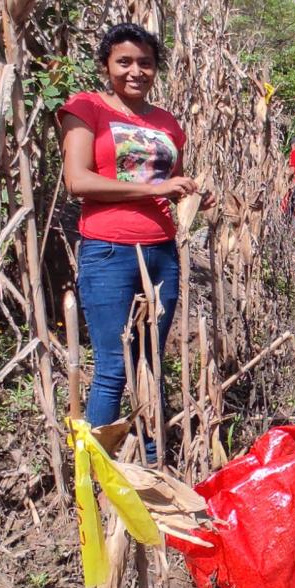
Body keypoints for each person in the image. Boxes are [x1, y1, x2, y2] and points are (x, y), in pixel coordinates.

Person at [59, 22, 212, 456]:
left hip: (161, 252)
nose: (135, 71)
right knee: (113, 366)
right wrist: (155, 191)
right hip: (109, 251)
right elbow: (78, 180)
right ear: (107, 65)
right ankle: (96, 471)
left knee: (150, 364)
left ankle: (152, 464)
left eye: (145, 63)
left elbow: (168, 178)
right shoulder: (86, 108)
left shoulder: (166, 122)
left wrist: (192, 191)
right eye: (124, 61)